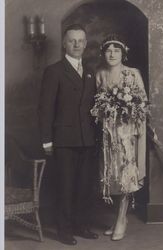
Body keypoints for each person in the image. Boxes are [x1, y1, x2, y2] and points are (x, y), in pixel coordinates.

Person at [39, 24, 98, 245]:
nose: (77, 45)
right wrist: (47, 141)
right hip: (63, 140)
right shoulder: (54, 71)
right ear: (64, 43)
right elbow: (44, 109)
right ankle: (64, 230)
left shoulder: (91, 71)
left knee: (84, 185)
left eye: (81, 41)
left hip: (87, 138)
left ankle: (81, 225)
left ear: (85, 43)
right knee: (65, 186)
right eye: (72, 40)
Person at [91, 34, 148, 241]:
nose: (112, 54)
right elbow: (95, 105)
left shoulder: (132, 74)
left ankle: (122, 219)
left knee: (125, 175)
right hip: (107, 135)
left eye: (116, 50)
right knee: (112, 177)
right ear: (103, 53)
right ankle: (117, 217)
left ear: (123, 53)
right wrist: (104, 110)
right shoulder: (100, 74)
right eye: (108, 50)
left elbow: (142, 104)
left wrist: (127, 109)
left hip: (126, 135)